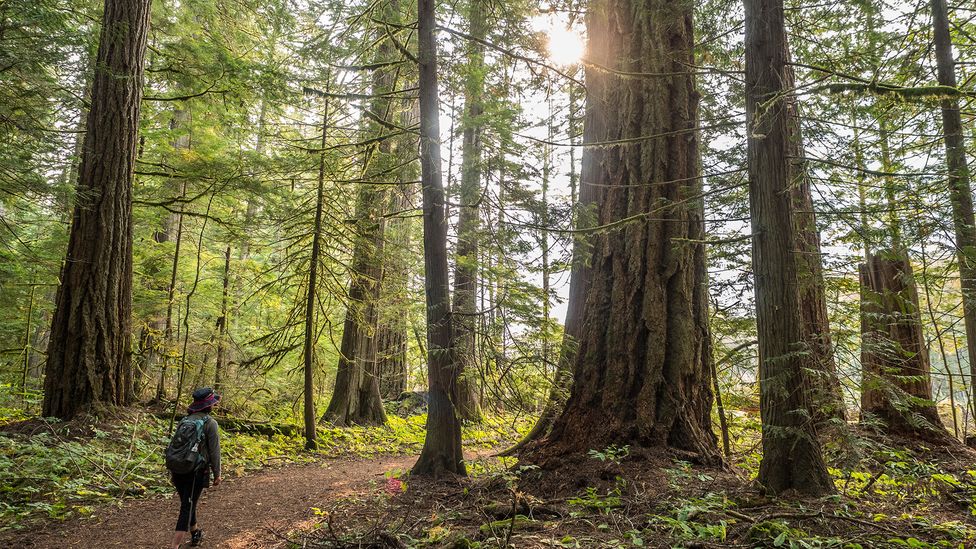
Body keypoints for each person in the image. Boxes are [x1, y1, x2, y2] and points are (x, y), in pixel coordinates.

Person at [170, 387, 222, 549]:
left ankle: (196, 532)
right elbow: (214, 451)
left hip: (177, 468)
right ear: (209, 405)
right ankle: (174, 546)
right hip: (196, 471)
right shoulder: (210, 423)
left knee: (188, 502)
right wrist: (217, 473)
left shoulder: (185, 420)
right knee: (187, 506)